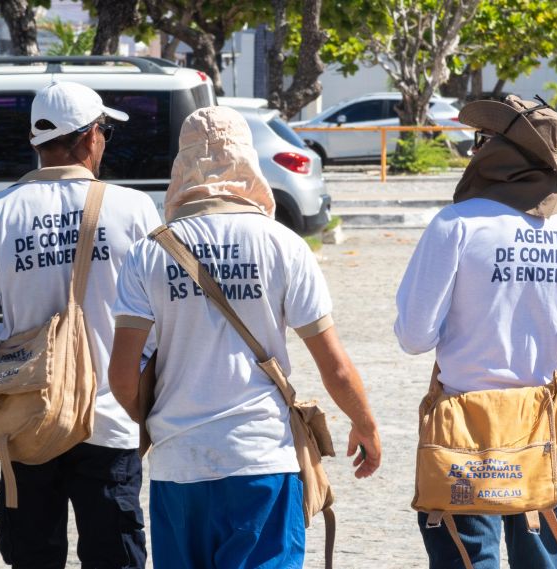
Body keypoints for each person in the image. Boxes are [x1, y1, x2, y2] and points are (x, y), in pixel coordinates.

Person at [108, 106, 382, 568]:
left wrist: (161, 422)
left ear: (182, 167)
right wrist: (366, 425)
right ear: (247, 162)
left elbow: (121, 377)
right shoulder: (283, 245)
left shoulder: (147, 253)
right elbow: (332, 364)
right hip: (262, 460)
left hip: (180, 467)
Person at [394, 95, 557, 568]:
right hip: (551, 438)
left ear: (495, 154)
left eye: (482, 142)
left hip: (466, 437)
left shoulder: (456, 225)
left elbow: (414, 337)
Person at [0, 81, 161, 569]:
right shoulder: (132, 208)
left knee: (33, 556)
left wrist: (12, 371)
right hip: (111, 419)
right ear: (90, 138)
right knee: (116, 556)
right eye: (105, 130)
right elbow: (161, 318)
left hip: (27, 421)